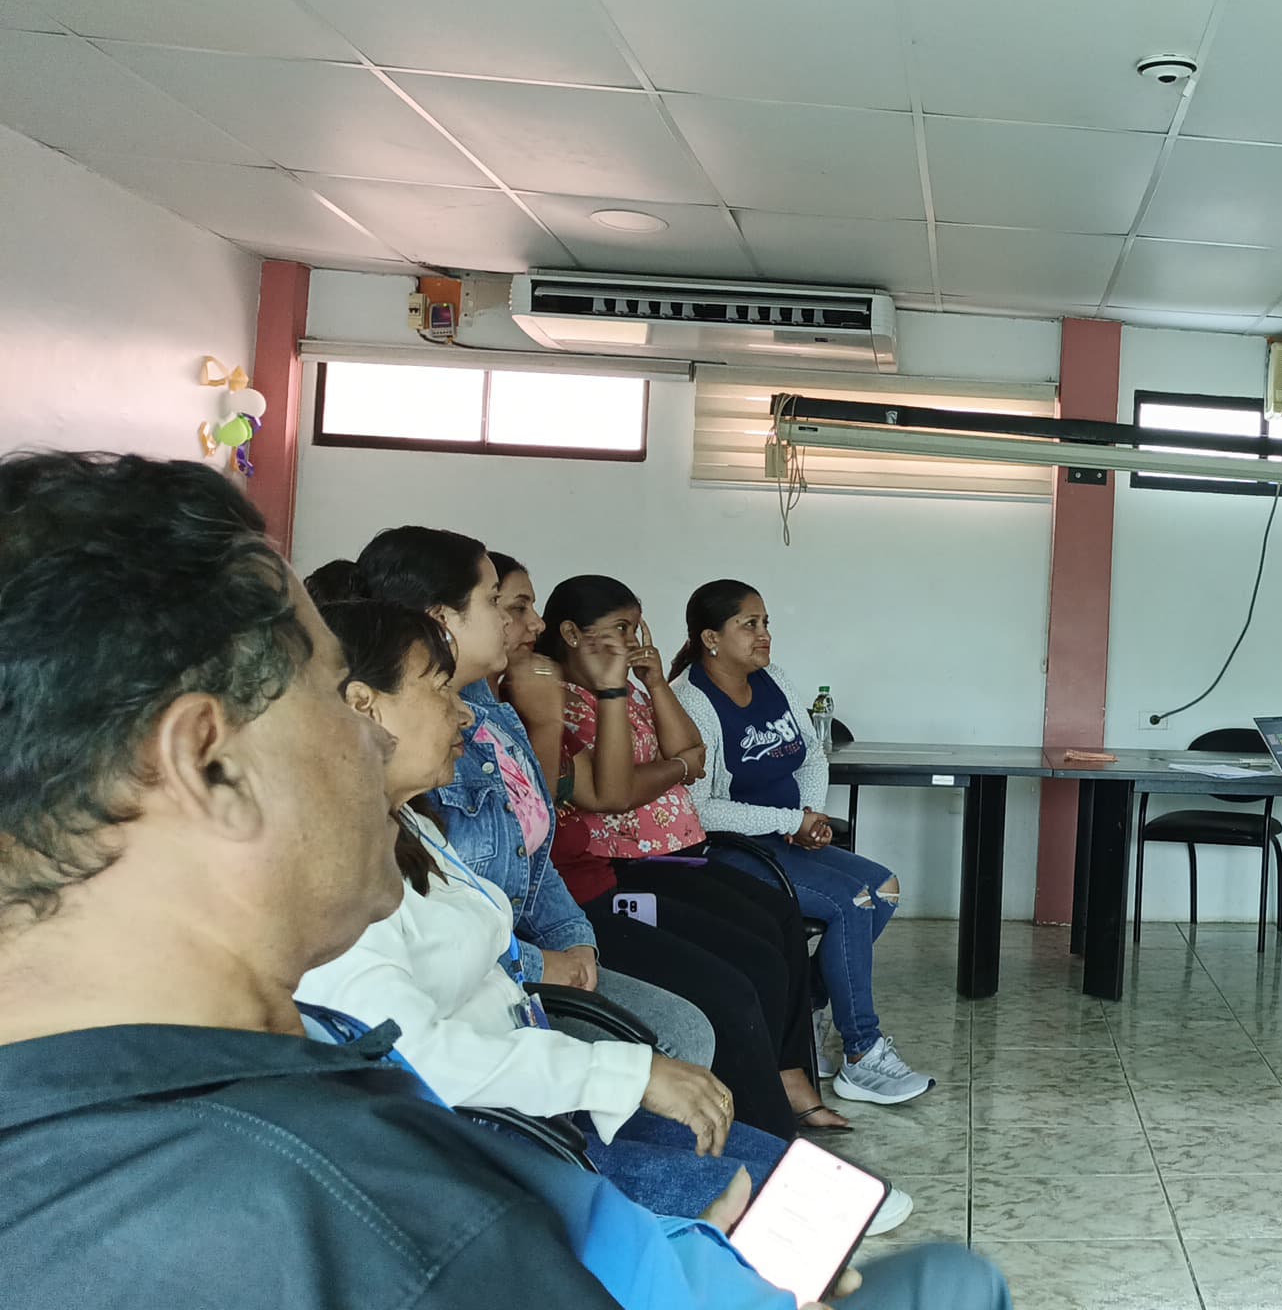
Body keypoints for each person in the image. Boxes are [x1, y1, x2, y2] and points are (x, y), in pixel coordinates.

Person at [0, 450, 1011, 1310]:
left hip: (566, 1150)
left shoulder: (227, 1094)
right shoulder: (367, 1212)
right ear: (206, 764)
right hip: (565, 1149)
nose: (373, 740)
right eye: (337, 700)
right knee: (945, 1282)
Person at [295, 596, 790, 1220]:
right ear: (365, 705)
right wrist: (622, 1074)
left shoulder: (408, 826)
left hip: (534, 1102)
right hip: (482, 1153)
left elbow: (525, 891)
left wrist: (571, 955)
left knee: (792, 1177)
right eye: (440, 690)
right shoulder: (328, 875)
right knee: (779, 1210)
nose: (464, 714)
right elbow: (412, 1060)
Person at [318, 550, 721, 1072]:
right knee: (695, 1020)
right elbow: (612, 793)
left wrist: (573, 943)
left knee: (728, 979)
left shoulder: (482, 725)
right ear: (442, 620)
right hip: (569, 916)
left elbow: (528, 855)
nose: (534, 624)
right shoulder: (520, 713)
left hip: (541, 941)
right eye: (504, 604)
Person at [543, 574, 858, 1130]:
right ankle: (767, 1126)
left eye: (637, 629)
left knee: (778, 914)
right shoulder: (560, 705)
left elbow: (694, 751)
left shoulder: (634, 688)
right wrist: (673, 766)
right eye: (621, 629)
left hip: (676, 849)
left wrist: (652, 682)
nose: (634, 642)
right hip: (627, 866)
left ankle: (789, 1073)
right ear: (571, 634)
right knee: (747, 966)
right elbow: (617, 791)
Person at [669, 580, 932, 1107]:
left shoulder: (775, 679)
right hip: (730, 849)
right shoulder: (691, 700)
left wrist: (808, 815)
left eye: (765, 622)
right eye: (749, 624)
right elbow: (699, 809)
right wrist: (791, 819)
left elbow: (812, 754)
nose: (764, 634)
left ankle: (803, 1016)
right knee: (852, 902)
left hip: (785, 836)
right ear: (711, 639)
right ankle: (862, 1053)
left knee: (883, 889)